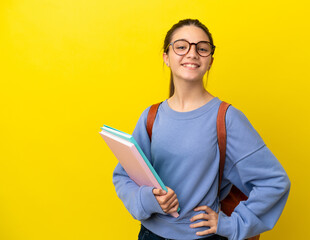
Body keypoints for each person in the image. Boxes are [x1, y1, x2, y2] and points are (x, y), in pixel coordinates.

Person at [113, 19, 290, 240]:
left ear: (210, 61)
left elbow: (274, 182)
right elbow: (123, 176)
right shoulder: (151, 116)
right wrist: (148, 198)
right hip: (150, 234)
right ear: (166, 57)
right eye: (181, 46)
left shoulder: (226, 118)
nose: (192, 53)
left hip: (202, 236)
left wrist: (233, 225)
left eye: (202, 48)